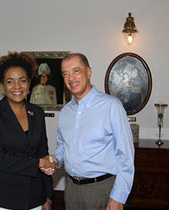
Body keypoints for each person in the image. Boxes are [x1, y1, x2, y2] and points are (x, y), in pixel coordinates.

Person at [49, 53, 135, 210]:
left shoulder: (111, 106)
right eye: (65, 74)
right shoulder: (66, 111)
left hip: (101, 189)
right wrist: (55, 161)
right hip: (71, 190)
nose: (71, 78)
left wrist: (118, 196)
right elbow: (63, 147)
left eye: (76, 71)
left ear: (88, 72)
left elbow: (126, 156)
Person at [0, 52, 56, 210]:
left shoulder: (37, 112)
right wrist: (39, 163)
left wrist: (47, 195)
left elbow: (42, 152)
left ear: (30, 82)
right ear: (2, 85)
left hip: (33, 196)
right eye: (10, 81)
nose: (17, 87)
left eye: (22, 80)